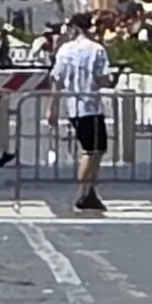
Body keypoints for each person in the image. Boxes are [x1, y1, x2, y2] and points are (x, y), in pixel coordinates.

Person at [50, 16, 114, 213]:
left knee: (93, 148)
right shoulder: (97, 50)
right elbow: (103, 79)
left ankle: (90, 191)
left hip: (73, 106)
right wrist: (111, 80)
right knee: (93, 150)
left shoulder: (64, 50)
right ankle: (83, 192)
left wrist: (51, 107)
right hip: (91, 106)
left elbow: (57, 80)